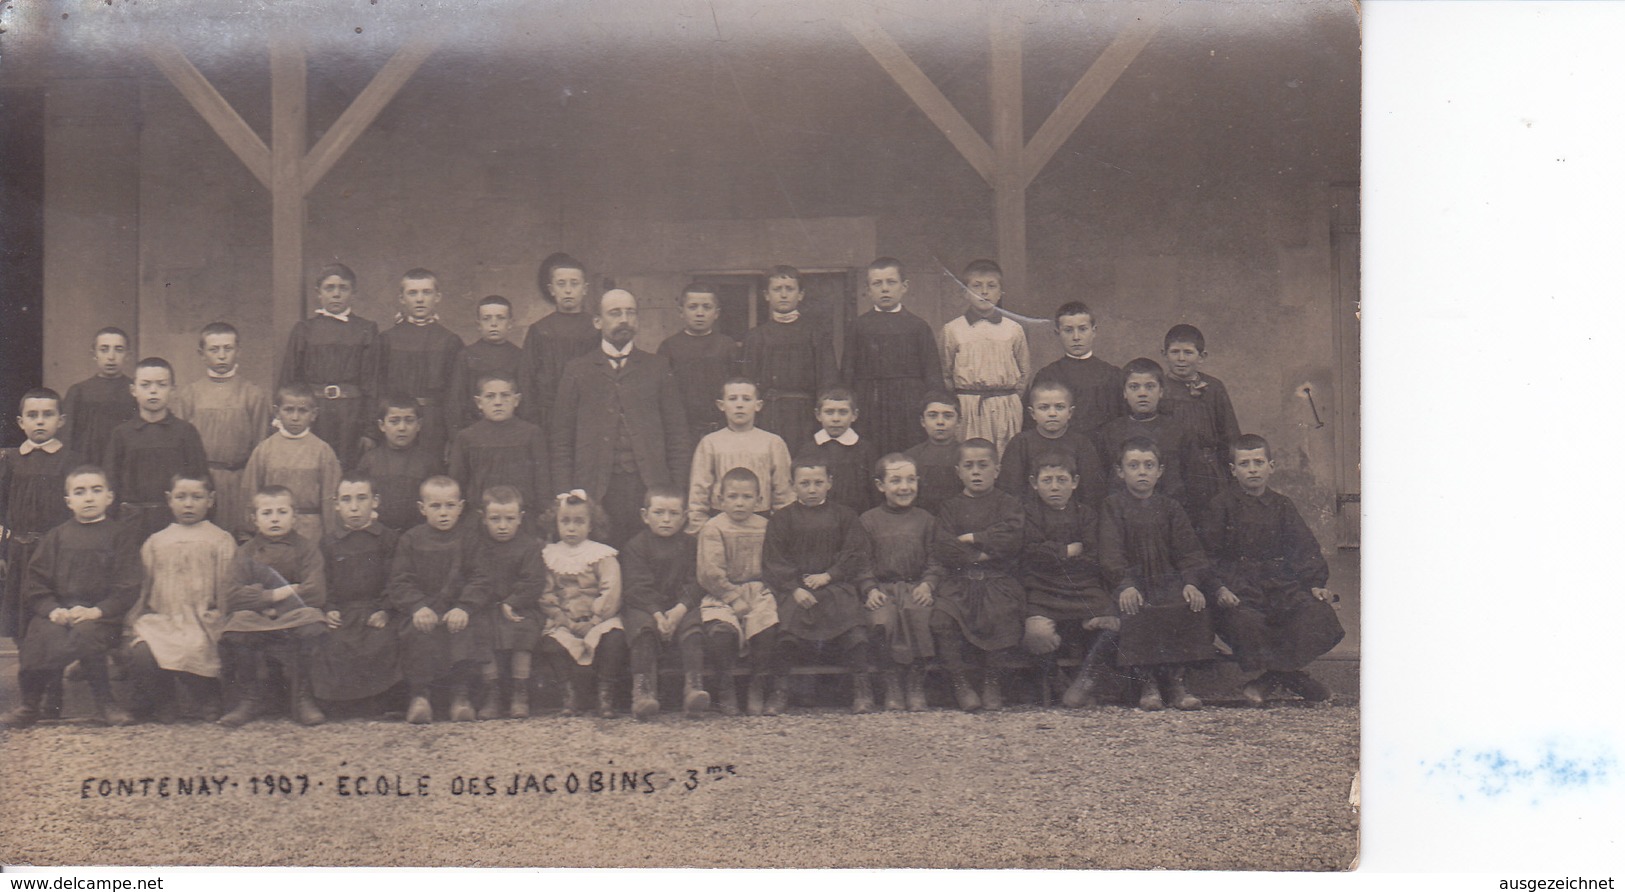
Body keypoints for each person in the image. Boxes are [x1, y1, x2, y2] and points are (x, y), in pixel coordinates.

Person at [1200, 434, 1344, 706]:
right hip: (1238, 586)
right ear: (1233, 470)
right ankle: (1294, 679)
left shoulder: (1282, 505)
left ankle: (1271, 680)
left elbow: (1303, 547)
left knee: (1316, 613)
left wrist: (1315, 582)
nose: (1252, 469)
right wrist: (1218, 587)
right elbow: (1207, 555)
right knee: (1246, 621)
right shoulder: (1221, 506)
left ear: (1271, 466)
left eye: (1258, 462)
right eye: (1244, 464)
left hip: (1280, 585)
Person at [0, 466, 141, 728]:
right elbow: (36, 582)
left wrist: (98, 610)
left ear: (109, 497)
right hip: (59, 613)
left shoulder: (119, 536)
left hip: (101, 616)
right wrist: (53, 609)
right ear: (69, 501)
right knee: (39, 635)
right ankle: (31, 704)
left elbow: (128, 584)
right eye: (80, 492)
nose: (88, 498)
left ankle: (105, 703)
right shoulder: (57, 536)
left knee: (87, 634)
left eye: (96, 491)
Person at [550, 288, 690, 548]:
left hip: (648, 484)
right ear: (597, 322)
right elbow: (561, 439)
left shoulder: (657, 367)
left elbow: (677, 435)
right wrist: (564, 490)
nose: (624, 319)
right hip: (596, 485)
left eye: (630, 312)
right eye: (615, 313)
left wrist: (676, 488)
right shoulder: (577, 370)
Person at [1101, 437, 1215, 712]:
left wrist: (1190, 582)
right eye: (1134, 465)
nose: (1142, 472)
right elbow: (1111, 552)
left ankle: (1177, 681)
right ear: (1120, 471)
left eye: (1148, 465)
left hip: (1168, 580)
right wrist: (1125, 584)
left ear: (1160, 471)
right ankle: (1147, 681)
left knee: (1188, 604)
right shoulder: (1113, 506)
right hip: (1130, 583)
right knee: (1136, 608)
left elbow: (1189, 550)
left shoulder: (1171, 507)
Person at [762, 457, 873, 715]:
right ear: (793, 485)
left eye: (818, 483)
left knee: (854, 629)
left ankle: (862, 689)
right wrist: (794, 587)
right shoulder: (782, 518)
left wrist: (830, 575)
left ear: (829, 483)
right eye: (804, 483)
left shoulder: (845, 515)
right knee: (786, 631)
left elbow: (855, 553)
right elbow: (774, 559)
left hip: (835, 586)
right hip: (797, 589)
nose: (812, 489)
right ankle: (781, 691)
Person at [124, 472, 236, 723]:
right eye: (181, 497)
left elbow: (225, 586)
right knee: (142, 650)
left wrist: (223, 618)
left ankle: (207, 695)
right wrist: (135, 616)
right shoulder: (156, 541)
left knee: (196, 646)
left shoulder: (220, 539)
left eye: (197, 497)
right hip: (164, 618)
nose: (188, 504)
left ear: (211, 500)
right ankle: (164, 698)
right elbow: (145, 587)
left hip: (202, 617)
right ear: (169, 500)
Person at [217, 485, 329, 727]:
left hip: (294, 616)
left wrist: (269, 604)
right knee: (236, 627)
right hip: (258, 617)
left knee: (313, 623)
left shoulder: (306, 548)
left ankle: (302, 698)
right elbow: (232, 595)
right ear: (254, 519)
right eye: (267, 513)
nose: (275, 518)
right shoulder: (246, 552)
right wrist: (280, 593)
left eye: (282, 512)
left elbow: (315, 592)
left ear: (295, 516)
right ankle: (250, 698)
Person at [1017, 452, 1120, 708]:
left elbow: (1094, 555)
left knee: (1113, 624)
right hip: (1042, 588)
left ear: (1074, 482)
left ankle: (1085, 681)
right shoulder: (1028, 514)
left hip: (1083, 587)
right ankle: (1055, 680)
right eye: (1047, 480)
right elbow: (1030, 553)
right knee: (1036, 634)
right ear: (1034, 483)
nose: (1054, 487)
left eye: (1061, 480)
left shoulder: (1086, 514)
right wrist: (1069, 551)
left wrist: (1051, 552)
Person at [929, 438, 1026, 711]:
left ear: (996, 470)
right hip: (959, 581)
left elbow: (1012, 538)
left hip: (997, 580)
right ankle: (961, 683)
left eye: (983, 465)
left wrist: (974, 539)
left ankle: (992, 682)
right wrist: (982, 552)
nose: (976, 472)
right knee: (941, 619)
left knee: (1002, 613)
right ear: (958, 471)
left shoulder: (1008, 503)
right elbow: (945, 546)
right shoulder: (950, 507)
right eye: (968, 466)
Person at [389, 476, 486, 724]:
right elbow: (400, 581)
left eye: (450, 506)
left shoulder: (470, 538)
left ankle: (460, 696)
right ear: (422, 508)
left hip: (456, 608)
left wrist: (464, 607)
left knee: (464, 630)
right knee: (416, 632)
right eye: (435, 506)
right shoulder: (411, 539)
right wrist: (417, 606)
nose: (443, 513)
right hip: (424, 608)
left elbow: (480, 577)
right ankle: (420, 696)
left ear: (461, 507)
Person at [524, 491, 626, 718]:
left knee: (614, 638)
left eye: (579, 522)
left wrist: (596, 620)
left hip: (597, 620)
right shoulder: (550, 555)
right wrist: (563, 619)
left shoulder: (602, 554)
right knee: (551, 642)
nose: (571, 528)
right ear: (555, 523)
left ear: (591, 525)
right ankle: (569, 694)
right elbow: (546, 592)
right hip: (565, 620)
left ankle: (605, 693)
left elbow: (611, 591)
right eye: (565, 521)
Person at [308, 474, 402, 709]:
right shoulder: (329, 543)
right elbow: (324, 582)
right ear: (337, 505)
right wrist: (329, 608)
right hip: (344, 611)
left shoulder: (389, 539)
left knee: (383, 640)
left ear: (375, 501)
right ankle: (341, 705)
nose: (354, 507)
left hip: (377, 609)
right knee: (333, 641)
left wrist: (386, 609)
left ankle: (382, 702)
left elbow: (397, 579)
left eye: (362, 499)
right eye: (346, 500)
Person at [1, 390, 82, 663]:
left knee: (52, 616)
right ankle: (29, 679)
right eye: (32, 415)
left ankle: (53, 689)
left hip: (54, 554)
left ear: (61, 420)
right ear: (20, 421)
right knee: (21, 618)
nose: (39, 421)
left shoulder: (70, 460)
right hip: (20, 552)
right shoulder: (10, 460)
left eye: (47, 415)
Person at [856, 454, 942, 712]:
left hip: (915, 586)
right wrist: (869, 588)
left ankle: (916, 683)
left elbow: (936, 559)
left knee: (920, 615)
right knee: (881, 621)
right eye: (895, 480)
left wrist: (928, 584)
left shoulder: (926, 520)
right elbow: (861, 561)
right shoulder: (868, 520)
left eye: (910, 480)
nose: (904, 487)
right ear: (881, 486)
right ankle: (891, 683)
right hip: (882, 588)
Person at [172, 322, 272, 537]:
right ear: (202, 354)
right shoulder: (190, 394)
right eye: (214, 349)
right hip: (203, 482)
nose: (221, 356)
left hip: (242, 481)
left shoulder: (252, 394)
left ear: (238, 351)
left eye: (228, 349)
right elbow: (179, 447)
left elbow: (261, 446)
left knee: (242, 539)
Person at [695, 468, 780, 716]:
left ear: (759, 499)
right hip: (722, 592)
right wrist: (732, 597)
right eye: (733, 497)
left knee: (766, 625)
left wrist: (764, 590)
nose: (740, 503)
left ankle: (757, 685)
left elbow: (774, 563)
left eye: (746, 497)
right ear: (720, 499)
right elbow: (709, 572)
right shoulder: (714, 528)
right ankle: (726, 687)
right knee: (721, 630)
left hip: (758, 590)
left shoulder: (766, 526)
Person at [278, 263, 379, 468]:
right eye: (329, 288)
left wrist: (369, 430)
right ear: (318, 293)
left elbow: (372, 382)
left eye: (343, 288)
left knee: (348, 466)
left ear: (353, 293)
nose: (336, 294)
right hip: (314, 412)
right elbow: (289, 378)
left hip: (351, 413)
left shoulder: (365, 329)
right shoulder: (304, 329)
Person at [620, 485, 707, 720]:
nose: (666, 520)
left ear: (685, 517)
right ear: (644, 515)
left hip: (680, 605)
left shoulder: (691, 545)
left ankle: (693, 688)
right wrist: (658, 614)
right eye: (659, 513)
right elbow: (637, 587)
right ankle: (643, 693)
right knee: (642, 629)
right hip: (647, 606)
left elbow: (696, 581)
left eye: (674, 513)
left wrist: (680, 610)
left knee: (693, 626)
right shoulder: (636, 546)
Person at [843, 258, 944, 456]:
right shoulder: (858, 327)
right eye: (877, 283)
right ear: (868, 289)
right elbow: (848, 373)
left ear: (904, 286)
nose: (885, 289)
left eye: (891, 282)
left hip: (909, 406)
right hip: (869, 404)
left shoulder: (918, 327)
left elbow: (933, 375)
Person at [103, 357, 209, 541]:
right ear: (133, 390)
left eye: (161, 384)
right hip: (130, 523)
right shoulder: (121, 434)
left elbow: (201, 479)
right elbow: (111, 483)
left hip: (175, 521)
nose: (153, 391)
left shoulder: (185, 432)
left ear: (172, 390)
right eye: (145, 385)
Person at [467, 485, 546, 720]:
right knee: (480, 628)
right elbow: (474, 578)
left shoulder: (529, 546)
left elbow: (534, 581)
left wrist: (513, 601)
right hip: (487, 606)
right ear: (483, 519)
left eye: (510, 519)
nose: (502, 526)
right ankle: (492, 692)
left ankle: (519, 692)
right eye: (495, 519)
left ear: (520, 518)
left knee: (524, 627)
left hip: (520, 606)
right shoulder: (478, 546)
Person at [939, 259, 1030, 460]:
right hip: (968, 407)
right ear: (964, 292)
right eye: (976, 286)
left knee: (1006, 458)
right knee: (971, 458)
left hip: (1005, 406)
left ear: (1000, 293)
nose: (984, 292)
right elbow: (946, 373)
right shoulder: (953, 329)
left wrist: (1008, 400)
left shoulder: (1013, 329)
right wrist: (964, 402)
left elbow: (1024, 373)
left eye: (991, 286)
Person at [739, 265, 838, 449]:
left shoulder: (815, 333)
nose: (783, 295)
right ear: (766, 295)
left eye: (790, 289)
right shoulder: (756, 336)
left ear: (800, 294)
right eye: (777, 289)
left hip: (806, 416)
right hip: (768, 415)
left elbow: (828, 380)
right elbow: (748, 382)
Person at [686, 377, 793, 534]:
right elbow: (699, 489)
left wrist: (780, 528)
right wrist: (700, 527)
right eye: (732, 399)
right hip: (719, 522)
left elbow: (784, 491)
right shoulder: (710, 442)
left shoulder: (773, 443)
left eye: (747, 399)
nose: (740, 404)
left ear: (758, 405)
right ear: (721, 405)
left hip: (761, 522)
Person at [1093, 357, 1199, 513]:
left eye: (1150, 387)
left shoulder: (1178, 430)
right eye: (1134, 387)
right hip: (1122, 515)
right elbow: (1101, 481)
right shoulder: (1109, 432)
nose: (1142, 393)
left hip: (1169, 514)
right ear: (1124, 392)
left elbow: (1192, 478)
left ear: (1161, 391)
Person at [377, 268, 463, 459]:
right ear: (401, 298)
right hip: (397, 420)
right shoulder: (387, 339)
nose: (420, 299)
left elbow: (455, 394)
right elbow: (378, 387)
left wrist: (453, 436)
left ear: (437, 296)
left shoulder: (449, 340)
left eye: (426, 292)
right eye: (412, 293)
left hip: (434, 423)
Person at [241, 383, 343, 541]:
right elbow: (251, 492)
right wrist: (252, 531)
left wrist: (330, 536)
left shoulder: (323, 451)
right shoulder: (264, 450)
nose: (295, 417)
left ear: (314, 414)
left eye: (302, 411)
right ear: (277, 412)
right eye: (288, 410)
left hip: (311, 532)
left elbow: (330, 498)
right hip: (272, 529)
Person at [1159, 324, 1242, 513]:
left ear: (1202, 356)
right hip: (1171, 472)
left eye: (1188, 352)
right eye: (1175, 352)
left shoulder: (1214, 388)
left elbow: (1230, 435)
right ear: (1164, 354)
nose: (1181, 359)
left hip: (1208, 473)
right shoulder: (1158, 388)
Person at [447, 372, 551, 521]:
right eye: (490, 396)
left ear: (516, 400)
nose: (498, 402)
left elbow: (542, 482)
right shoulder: (466, 437)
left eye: (505, 396)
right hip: (478, 517)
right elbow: (458, 482)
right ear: (479, 402)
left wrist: (543, 513)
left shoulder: (531, 434)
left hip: (522, 517)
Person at [996, 380, 1107, 509]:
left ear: (1070, 412)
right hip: (1031, 516)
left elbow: (1092, 489)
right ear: (1032, 413)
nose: (1052, 413)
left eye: (1059, 407)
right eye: (1044, 407)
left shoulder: (1081, 443)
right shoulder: (1021, 443)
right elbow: (1010, 488)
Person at [519, 252, 599, 427]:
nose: (568, 290)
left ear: (585, 289)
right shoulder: (540, 330)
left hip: (588, 413)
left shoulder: (596, 328)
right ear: (551, 289)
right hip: (548, 415)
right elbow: (527, 378)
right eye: (561, 284)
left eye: (574, 283)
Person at [658, 283, 740, 446]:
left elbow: (737, 386)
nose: (700, 313)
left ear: (716, 313)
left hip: (721, 428)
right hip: (683, 432)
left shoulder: (726, 345)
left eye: (707, 307)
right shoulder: (669, 347)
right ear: (681, 312)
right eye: (693, 307)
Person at [1028, 301, 1123, 435]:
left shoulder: (1112, 374)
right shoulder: (1048, 375)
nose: (1076, 337)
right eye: (1068, 330)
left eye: (1083, 329)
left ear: (1094, 331)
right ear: (1057, 333)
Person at [356, 395, 445, 533]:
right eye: (394, 421)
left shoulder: (428, 462)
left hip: (416, 535)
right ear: (382, 425)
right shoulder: (370, 460)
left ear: (419, 425)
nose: (402, 428)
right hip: (377, 535)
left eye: (409, 421)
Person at [447, 295, 525, 432]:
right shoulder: (466, 356)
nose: (493, 324)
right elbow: (457, 401)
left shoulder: (520, 356)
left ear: (510, 323)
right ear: (479, 325)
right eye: (487, 318)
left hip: (511, 430)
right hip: (474, 429)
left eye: (500, 318)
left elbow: (526, 402)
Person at [795, 387, 880, 513]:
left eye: (843, 412)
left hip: (857, 516)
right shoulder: (808, 449)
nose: (836, 419)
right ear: (818, 415)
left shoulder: (865, 450)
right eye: (829, 412)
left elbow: (874, 492)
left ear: (854, 415)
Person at [60, 327, 136, 467]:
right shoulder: (79, 392)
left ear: (128, 355)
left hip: (126, 464)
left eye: (118, 349)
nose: (111, 357)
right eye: (104, 349)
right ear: (94, 354)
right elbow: (66, 438)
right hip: (87, 466)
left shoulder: (136, 391)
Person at [902, 392, 963, 515]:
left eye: (948, 416)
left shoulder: (966, 454)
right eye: (933, 416)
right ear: (922, 421)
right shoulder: (911, 456)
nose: (940, 422)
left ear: (959, 421)